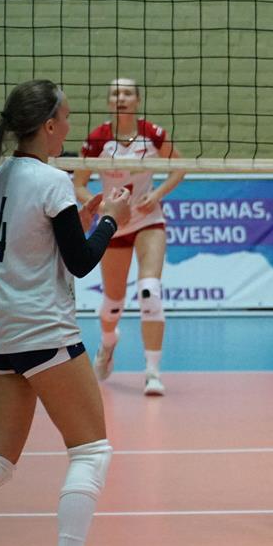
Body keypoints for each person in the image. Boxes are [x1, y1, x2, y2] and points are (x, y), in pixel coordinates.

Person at [0, 79, 132, 546]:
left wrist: (83, 218)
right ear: (49, 125)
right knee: (91, 450)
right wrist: (112, 218)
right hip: (46, 332)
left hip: (1, 331)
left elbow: (34, 239)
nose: (70, 127)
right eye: (66, 118)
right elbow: (82, 260)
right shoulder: (52, 181)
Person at [73, 78, 186, 396]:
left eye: (126, 93)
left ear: (137, 100)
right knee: (113, 303)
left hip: (148, 220)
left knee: (150, 291)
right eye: (115, 93)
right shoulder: (98, 139)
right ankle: (108, 343)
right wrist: (100, 207)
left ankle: (152, 372)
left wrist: (157, 194)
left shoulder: (152, 133)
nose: (120, 97)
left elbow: (180, 167)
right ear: (109, 101)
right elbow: (78, 183)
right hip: (115, 224)